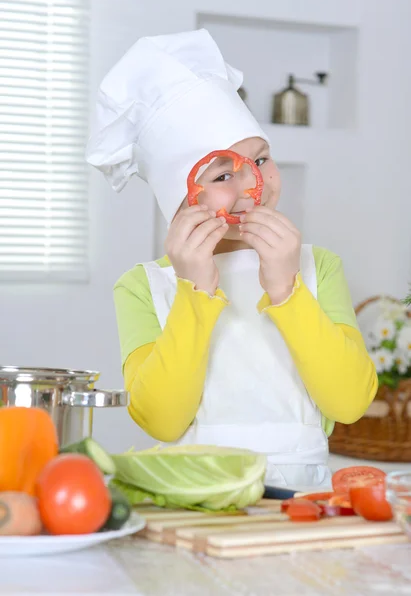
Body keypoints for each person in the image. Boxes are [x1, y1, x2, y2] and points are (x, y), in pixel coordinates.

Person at [86, 29, 378, 488]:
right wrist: (195, 291)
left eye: (261, 161)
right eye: (224, 173)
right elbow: (162, 421)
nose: (252, 188)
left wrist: (286, 289)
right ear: (178, 197)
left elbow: (349, 403)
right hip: (197, 494)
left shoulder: (317, 266)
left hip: (303, 500)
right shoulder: (144, 286)